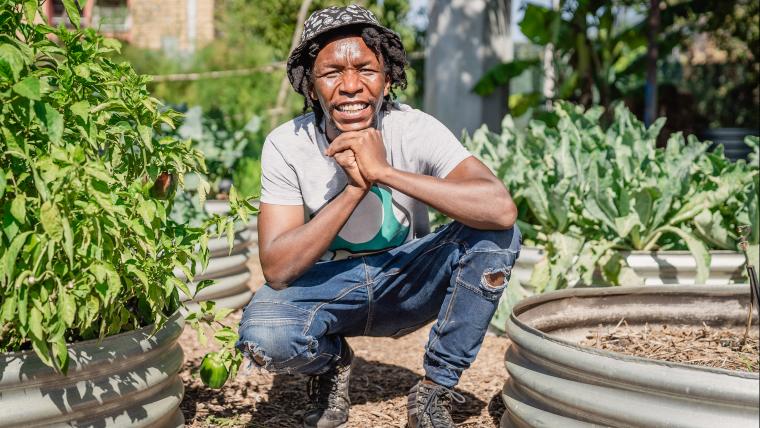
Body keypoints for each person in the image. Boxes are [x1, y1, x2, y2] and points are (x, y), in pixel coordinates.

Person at [236, 4, 521, 428]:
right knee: (264, 335)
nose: (351, 86)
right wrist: (356, 187)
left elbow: (500, 208)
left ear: (387, 80)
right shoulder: (287, 145)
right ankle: (330, 364)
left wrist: (385, 172)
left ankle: (435, 389)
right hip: (332, 290)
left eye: (366, 70)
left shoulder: (413, 128)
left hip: (406, 281)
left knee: (496, 235)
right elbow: (277, 269)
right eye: (332, 73)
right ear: (311, 88)